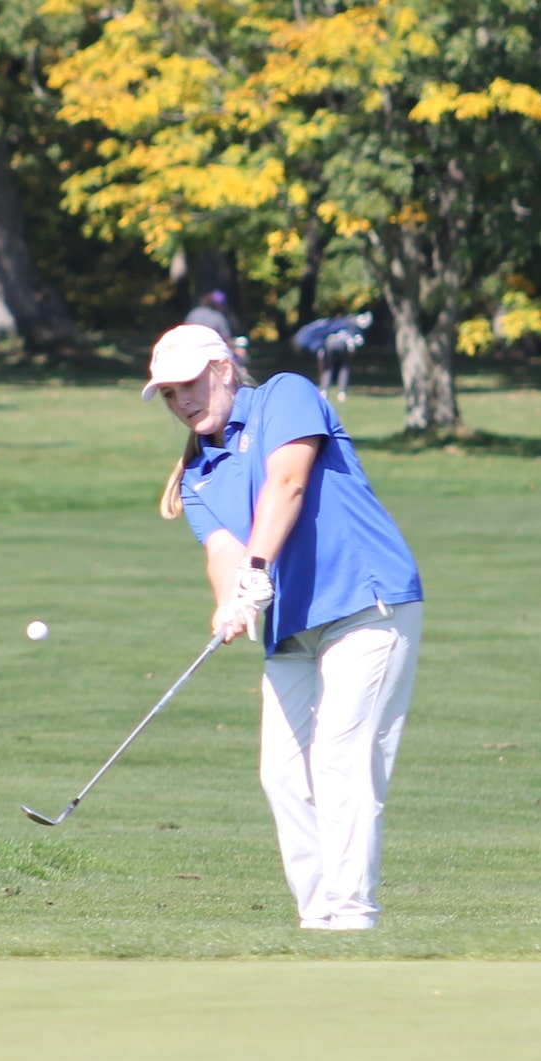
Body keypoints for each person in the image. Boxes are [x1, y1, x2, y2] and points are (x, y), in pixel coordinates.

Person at [143, 322, 424, 931]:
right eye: (167, 394)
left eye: (188, 384)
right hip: (293, 624)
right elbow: (222, 548)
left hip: (365, 600)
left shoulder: (285, 395)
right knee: (280, 772)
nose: (181, 401)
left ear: (222, 369)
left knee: (341, 758)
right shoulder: (198, 476)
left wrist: (256, 569)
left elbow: (288, 481)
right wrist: (228, 601)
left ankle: (350, 914)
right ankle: (317, 915)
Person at [293, 311, 373, 401]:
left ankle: (324, 390)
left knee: (328, 368)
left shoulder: (317, 328)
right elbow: (357, 340)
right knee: (344, 367)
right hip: (341, 345)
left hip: (330, 345)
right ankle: (342, 392)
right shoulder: (345, 325)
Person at [182, 290, 247, 365]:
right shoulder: (218, 317)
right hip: (212, 357)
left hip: (192, 353)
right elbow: (226, 339)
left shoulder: (194, 313)